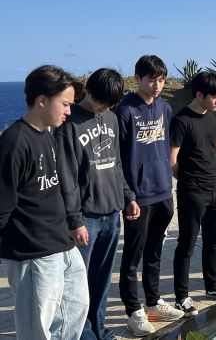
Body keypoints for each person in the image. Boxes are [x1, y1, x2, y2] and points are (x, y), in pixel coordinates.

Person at [0, 65, 89, 340]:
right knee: (36, 330)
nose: (69, 111)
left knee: (75, 310)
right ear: (42, 101)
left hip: (62, 244)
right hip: (32, 252)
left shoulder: (48, 135)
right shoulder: (14, 142)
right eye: (65, 104)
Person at [56, 68, 140, 340]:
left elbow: (116, 163)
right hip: (85, 217)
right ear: (89, 90)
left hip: (112, 213)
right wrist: (74, 219)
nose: (105, 107)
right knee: (77, 283)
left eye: (110, 103)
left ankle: (99, 330)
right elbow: (66, 176)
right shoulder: (69, 123)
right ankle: (82, 334)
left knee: (102, 278)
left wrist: (128, 196)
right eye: (102, 101)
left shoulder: (112, 118)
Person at [115, 55, 183, 336]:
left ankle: (153, 301)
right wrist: (128, 195)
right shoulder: (125, 110)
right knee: (133, 255)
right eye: (151, 79)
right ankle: (133, 311)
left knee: (155, 251)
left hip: (163, 191)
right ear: (137, 79)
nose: (157, 85)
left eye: (161, 80)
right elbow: (118, 158)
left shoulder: (165, 108)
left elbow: (165, 148)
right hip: (138, 196)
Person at [170, 72, 216, 315]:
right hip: (192, 190)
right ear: (199, 95)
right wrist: (188, 179)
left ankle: (212, 284)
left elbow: (215, 151)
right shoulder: (181, 120)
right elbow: (172, 160)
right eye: (214, 96)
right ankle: (181, 297)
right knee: (186, 244)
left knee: (214, 241)